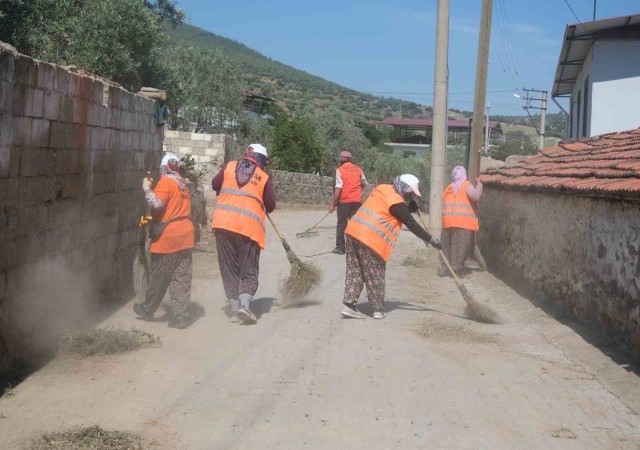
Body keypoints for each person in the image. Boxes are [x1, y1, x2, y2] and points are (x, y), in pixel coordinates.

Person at [340, 174, 442, 320]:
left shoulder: (382, 188)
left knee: (355, 270)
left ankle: (349, 306)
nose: (409, 195)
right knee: (375, 273)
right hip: (370, 239)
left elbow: (385, 207)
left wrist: (408, 205)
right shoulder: (397, 203)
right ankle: (377, 310)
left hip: (353, 231)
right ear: (403, 189)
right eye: (409, 193)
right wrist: (431, 240)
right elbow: (411, 224)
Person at [211, 144, 276, 324]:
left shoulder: (230, 166)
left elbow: (215, 184)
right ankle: (245, 306)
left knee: (229, 268)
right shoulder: (263, 177)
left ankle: (233, 310)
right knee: (248, 269)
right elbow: (270, 205)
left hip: (223, 224)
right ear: (261, 159)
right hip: (248, 229)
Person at [134, 153, 195, 329]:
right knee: (181, 277)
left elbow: (158, 203)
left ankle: (147, 309)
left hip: (170, 236)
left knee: (160, 275)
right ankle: (181, 315)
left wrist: (146, 189)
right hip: (186, 235)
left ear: (164, 168)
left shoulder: (167, 181)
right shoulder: (182, 183)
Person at [438, 166, 483, 277]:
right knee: (460, 246)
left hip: (448, 221)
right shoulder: (466, 185)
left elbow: (444, 199)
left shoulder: (449, 188)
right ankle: (455, 269)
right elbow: (476, 196)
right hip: (463, 222)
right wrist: (480, 185)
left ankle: (445, 267)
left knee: (447, 245)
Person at [328, 151, 368, 255]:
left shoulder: (340, 170)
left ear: (341, 160)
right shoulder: (358, 169)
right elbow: (365, 183)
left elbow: (338, 189)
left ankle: (340, 248)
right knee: (356, 225)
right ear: (350, 159)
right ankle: (356, 249)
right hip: (357, 202)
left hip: (344, 202)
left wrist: (332, 204)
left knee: (342, 224)